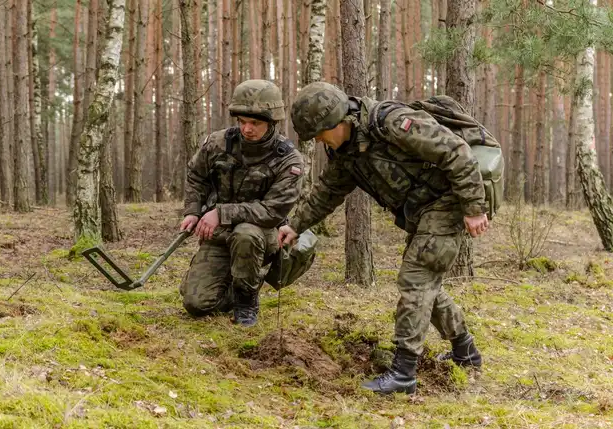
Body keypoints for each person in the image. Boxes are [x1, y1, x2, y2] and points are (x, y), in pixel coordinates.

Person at [279, 81, 487, 394]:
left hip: (449, 202)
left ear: (340, 121)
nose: (321, 141)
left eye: (321, 133)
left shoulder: (391, 123)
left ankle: (404, 373)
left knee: (416, 280)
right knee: (425, 285)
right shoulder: (345, 150)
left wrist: (473, 207)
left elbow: (456, 151)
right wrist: (296, 225)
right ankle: (465, 352)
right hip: (423, 208)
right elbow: (328, 191)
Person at [179, 79, 304, 327]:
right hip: (221, 236)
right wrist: (193, 211)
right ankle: (237, 285)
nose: (247, 129)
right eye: (242, 122)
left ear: (271, 122)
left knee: (245, 233)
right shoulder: (217, 143)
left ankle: (246, 301)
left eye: (255, 123)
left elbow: (271, 211)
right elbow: (196, 177)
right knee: (196, 304)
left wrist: (221, 213)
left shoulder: (287, 160)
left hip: (262, 236)